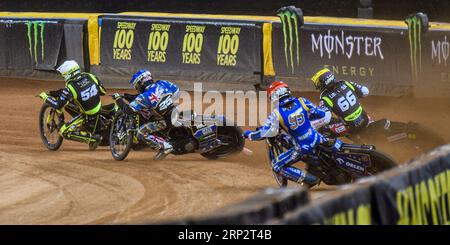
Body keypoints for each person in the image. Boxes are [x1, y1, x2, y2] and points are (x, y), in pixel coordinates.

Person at [244, 81, 339, 187]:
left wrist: (249, 134)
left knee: (276, 166)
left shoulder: (276, 114)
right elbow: (320, 113)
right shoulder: (302, 101)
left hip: (302, 147)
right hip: (317, 137)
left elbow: (264, 133)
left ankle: (310, 179)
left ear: (274, 97)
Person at [39, 60, 106, 150]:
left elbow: (58, 105)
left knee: (64, 132)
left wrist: (45, 97)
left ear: (69, 74)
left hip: (87, 114)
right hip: (98, 107)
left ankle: (93, 139)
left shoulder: (71, 87)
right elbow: (103, 91)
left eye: (64, 75)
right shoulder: (90, 76)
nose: (64, 77)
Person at [118, 69, 180, 160]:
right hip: (176, 111)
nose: (137, 88)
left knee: (141, 133)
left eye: (137, 86)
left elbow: (128, 110)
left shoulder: (144, 97)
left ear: (141, 83)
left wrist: (117, 100)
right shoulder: (162, 83)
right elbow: (177, 92)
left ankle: (165, 146)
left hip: (163, 121)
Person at [311, 68, 370, 135]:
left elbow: (326, 119)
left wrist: (313, 125)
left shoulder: (325, 97)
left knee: (322, 129)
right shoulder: (345, 83)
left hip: (351, 126)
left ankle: (336, 145)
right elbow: (366, 91)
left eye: (318, 84)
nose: (318, 87)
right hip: (365, 118)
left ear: (324, 82)